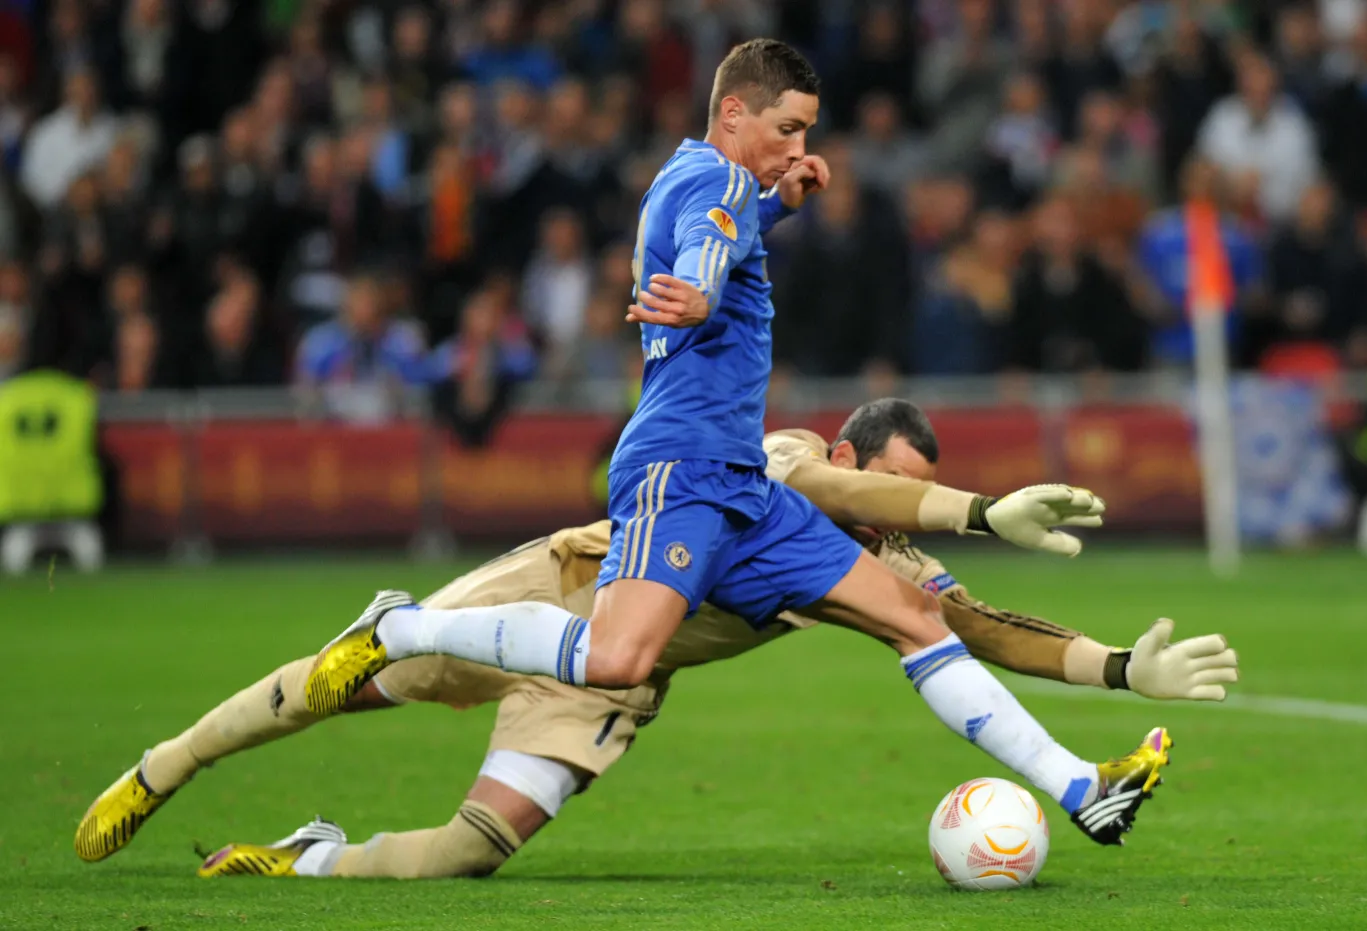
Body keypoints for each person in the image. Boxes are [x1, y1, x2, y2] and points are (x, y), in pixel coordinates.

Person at [305, 39, 1168, 847]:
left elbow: (724, 228)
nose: (798, 147)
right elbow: (709, 252)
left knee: (915, 614)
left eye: (806, 134)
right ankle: (407, 626)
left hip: (744, 484)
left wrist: (779, 204)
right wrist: (704, 296)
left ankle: (1082, 788)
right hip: (679, 468)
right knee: (614, 657)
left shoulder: (703, 180)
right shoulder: (716, 188)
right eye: (786, 128)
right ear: (733, 116)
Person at [74, 400, 1240, 877]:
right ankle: (164, 764)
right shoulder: (775, 459)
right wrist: (956, 512)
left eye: (915, 494)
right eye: (890, 485)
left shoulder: (878, 569)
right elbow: (844, 494)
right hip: (563, 591)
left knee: (472, 853)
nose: (895, 510)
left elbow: (981, 626)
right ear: (849, 456)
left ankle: (308, 856)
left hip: (613, 686)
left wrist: (1123, 669)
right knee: (355, 675)